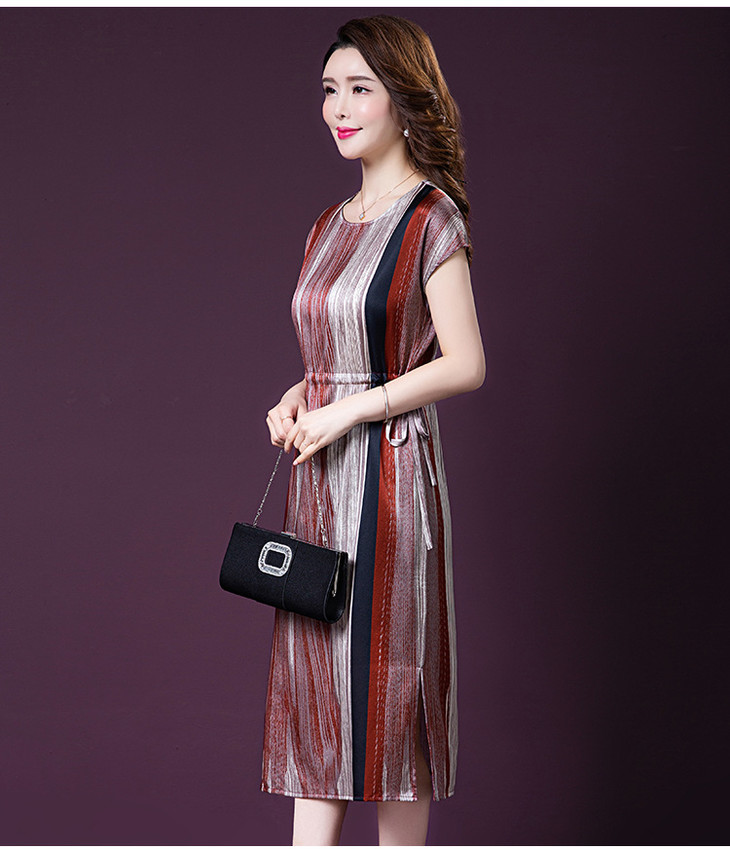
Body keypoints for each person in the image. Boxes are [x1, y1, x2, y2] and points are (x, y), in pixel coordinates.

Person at [261, 14, 486, 847]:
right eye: (330, 89)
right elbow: (339, 351)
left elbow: (465, 361)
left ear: (404, 97)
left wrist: (350, 408)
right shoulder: (327, 224)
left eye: (361, 88)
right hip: (320, 486)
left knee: (390, 690)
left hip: (391, 485)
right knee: (315, 688)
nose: (339, 107)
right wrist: (296, 397)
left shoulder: (432, 218)